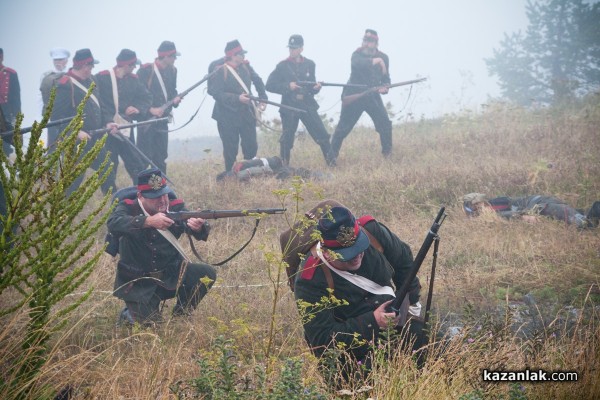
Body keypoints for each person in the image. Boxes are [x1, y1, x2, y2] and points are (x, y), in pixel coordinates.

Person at [292, 204, 423, 382]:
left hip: (397, 326)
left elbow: (404, 259)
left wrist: (412, 302)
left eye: (358, 247)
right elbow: (321, 341)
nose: (356, 256)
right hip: (352, 353)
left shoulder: (373, 232)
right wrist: (373, 322)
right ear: (327, 253)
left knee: (441, 348)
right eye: (347, 254)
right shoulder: (309, 279)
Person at [107, 167, 217, 325]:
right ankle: (128, 315)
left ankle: (181, 316)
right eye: (155, 197)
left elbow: (196, 228)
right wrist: (147, 221)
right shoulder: (127, 207)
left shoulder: (174, 207)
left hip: (171, 274)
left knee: (206, 274)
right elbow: (113, 223)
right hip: (138, 283)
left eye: (164, 194)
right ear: (140, 196)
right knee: (151, 328)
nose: (162, 200)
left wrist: (198, 226)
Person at [51, 48, 115, 195]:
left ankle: (115, 206)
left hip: (93, 138)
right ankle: (62, 212)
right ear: (84, 66)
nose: (91, 69)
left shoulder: (91, 80)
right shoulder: (65, 84)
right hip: (75, 142)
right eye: (90, 66)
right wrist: (75, 131)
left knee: (107, 169)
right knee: (74, 180)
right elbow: (57, 118)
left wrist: (109, 121)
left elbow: (100, 105)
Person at [265, 34, 333, 166]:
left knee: (322, 134)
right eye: (290, 48)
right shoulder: (282, 66)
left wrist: (316, 87)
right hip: (289, 106)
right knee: (287, 139)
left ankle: (331, 164)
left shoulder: (310, 64)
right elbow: (269, 85)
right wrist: (287, 86)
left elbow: (311, 87)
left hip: (306, 104)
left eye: (295, 48)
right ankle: (284, 167)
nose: (292, 50)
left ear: (301, 48)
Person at [329, 29, 392, 164]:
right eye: (365, 40)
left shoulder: (384, 58)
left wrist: (385, 87)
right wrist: (378, 61)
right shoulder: (357, 55)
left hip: (372, 97)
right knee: (342, 129)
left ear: (376, 43)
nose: (366, 44)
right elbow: (358, 64)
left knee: (385, 125)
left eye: (369, 41)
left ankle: (387, 155)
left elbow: (386, 79)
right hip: (354, 96)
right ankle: (331, 158)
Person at [207, 39, 268, 174]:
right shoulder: (220, 71)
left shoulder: (245, 67)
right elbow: (216, 93)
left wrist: (263, 98)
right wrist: (237, 98)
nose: (243, 57)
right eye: (240, 54)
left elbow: (258, 81)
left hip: (246, 114)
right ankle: (230, 176)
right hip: (226, 116)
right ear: (233, 55)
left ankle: (249, 173)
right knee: (230, 150)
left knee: (251, 146)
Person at [96, 49, 151, 186]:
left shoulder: (134, 80)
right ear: (127, 65)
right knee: (109, 166)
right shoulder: (102, 78)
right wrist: (108, 121)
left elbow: (146, 98)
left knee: (136, 163)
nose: (134, 69)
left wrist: (137, 108)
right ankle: (111, 197)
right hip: (107, 130)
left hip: (125, 128)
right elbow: (98, 104)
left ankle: (143, 192)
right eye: (133, 66)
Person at [136, 41, 182, 174]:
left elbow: (171, 91)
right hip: (146, 120)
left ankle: (160, 189)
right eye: (173, 56)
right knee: (144, 157)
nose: (175, 59)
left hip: (162, 120)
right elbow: (137, 95)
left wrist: (176, 99)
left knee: (161, 157)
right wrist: (150, 109)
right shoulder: (145, 71)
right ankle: (142, 190)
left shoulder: (173, 71)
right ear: (166, 56)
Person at [463, 193, 599, 228]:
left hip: (540, 204)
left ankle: (586, 221)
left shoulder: (496, 205)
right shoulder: (491, 213)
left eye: (478, 206)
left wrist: (522, 217)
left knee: (580, 221)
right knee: (581, 215)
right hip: (539, 205)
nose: (479, 209)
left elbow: (507, 214)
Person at [40, 47, 70, 151]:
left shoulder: (71, 75)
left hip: (69, 114)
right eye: (56, 60)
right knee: (53, 145)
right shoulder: (47, 76)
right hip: (53, 115)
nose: (58, 62)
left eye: (61, 60)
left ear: (66, 60)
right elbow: (43, 97)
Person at [0, 48, 20, 157]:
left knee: (5, 145)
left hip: (6, 113)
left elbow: (16, 97)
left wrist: (17, 116)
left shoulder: (10, 73)